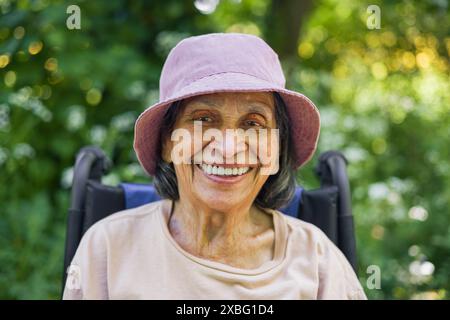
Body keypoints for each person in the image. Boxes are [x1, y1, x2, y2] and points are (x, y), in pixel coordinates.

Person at [63, 33, 367, 299]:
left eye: (253, 123)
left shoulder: (318, 260)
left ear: (275, 148)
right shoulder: (108, 248)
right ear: (167, 142)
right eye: (203, 119)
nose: (229, 148)